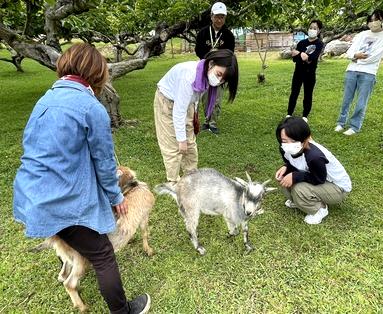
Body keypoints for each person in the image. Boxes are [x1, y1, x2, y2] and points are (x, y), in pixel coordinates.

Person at [13, 43, 150, 314]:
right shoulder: (91, 107)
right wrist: (116, 196)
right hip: (59, 200)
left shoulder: (45, 99)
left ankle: (67, 270)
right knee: (102, 254)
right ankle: (123, 312)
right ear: (96, 73)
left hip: (30, 196)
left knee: (77, 239)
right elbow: (104, 162)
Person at [154, 49, 238, 184]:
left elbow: (194, 98)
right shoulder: (189, 76)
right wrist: (181, 140)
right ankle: (174, 183)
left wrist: (191, 122)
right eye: (219, 74)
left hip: (187, 103)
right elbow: (178, 111)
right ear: (211, 63)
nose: (219, 81)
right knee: (173, 145)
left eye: (223, 80)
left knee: (190, 143)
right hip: (167, 101)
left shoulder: (205, 77)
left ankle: (191, 177)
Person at [275, 117, 352, 224]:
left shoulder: (314, 156)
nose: (288, 144)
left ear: (304, 138)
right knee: (284, 177)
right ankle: (299, 201)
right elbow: (294, 163)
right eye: (284, 140)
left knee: (299, 189)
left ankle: (320, 209)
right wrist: (286, 167)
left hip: (337, 188)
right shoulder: (284, 149)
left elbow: (319, 179)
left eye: (293, 140)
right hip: (318, 179)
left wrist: (295, 176)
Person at [335, 9, 383, 135]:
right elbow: (350, 52)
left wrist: (357, 59)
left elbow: (375, 56)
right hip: (351, 70)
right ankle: (340, 123)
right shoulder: (362, 34)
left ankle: (354, 126)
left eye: (375, 20)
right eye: (370, 20)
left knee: (361, 102)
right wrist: (355, 55)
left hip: (368, 72)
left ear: (382, 19)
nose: (373, 23)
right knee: (346, 99)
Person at [195, 2, 235, 134]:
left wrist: (218, 64)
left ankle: (213, 123)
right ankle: (206, 121)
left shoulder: (228, 35)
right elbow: (198, 50)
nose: (219, 20)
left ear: (225, 18)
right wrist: (208, 61)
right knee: (205, 96)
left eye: (222, 17)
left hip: (219, 70)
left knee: (217, 97)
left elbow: (229, 54)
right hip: (205, 68)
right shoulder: (203, 33)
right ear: (211, 16)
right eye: (217, 16)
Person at [286, 19, 324, 122]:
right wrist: (302, 55)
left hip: (310, 74)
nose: (312, 30)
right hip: (298, 72)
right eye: (310, 27)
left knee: (308, 94)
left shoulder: (319, 44)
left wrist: (301, 54)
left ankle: (305, 115)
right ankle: (289, 113)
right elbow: (295, 59)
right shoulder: (301, 42)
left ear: (319, 31)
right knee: (294, 92)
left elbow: (312, 58)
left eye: (315, 28)